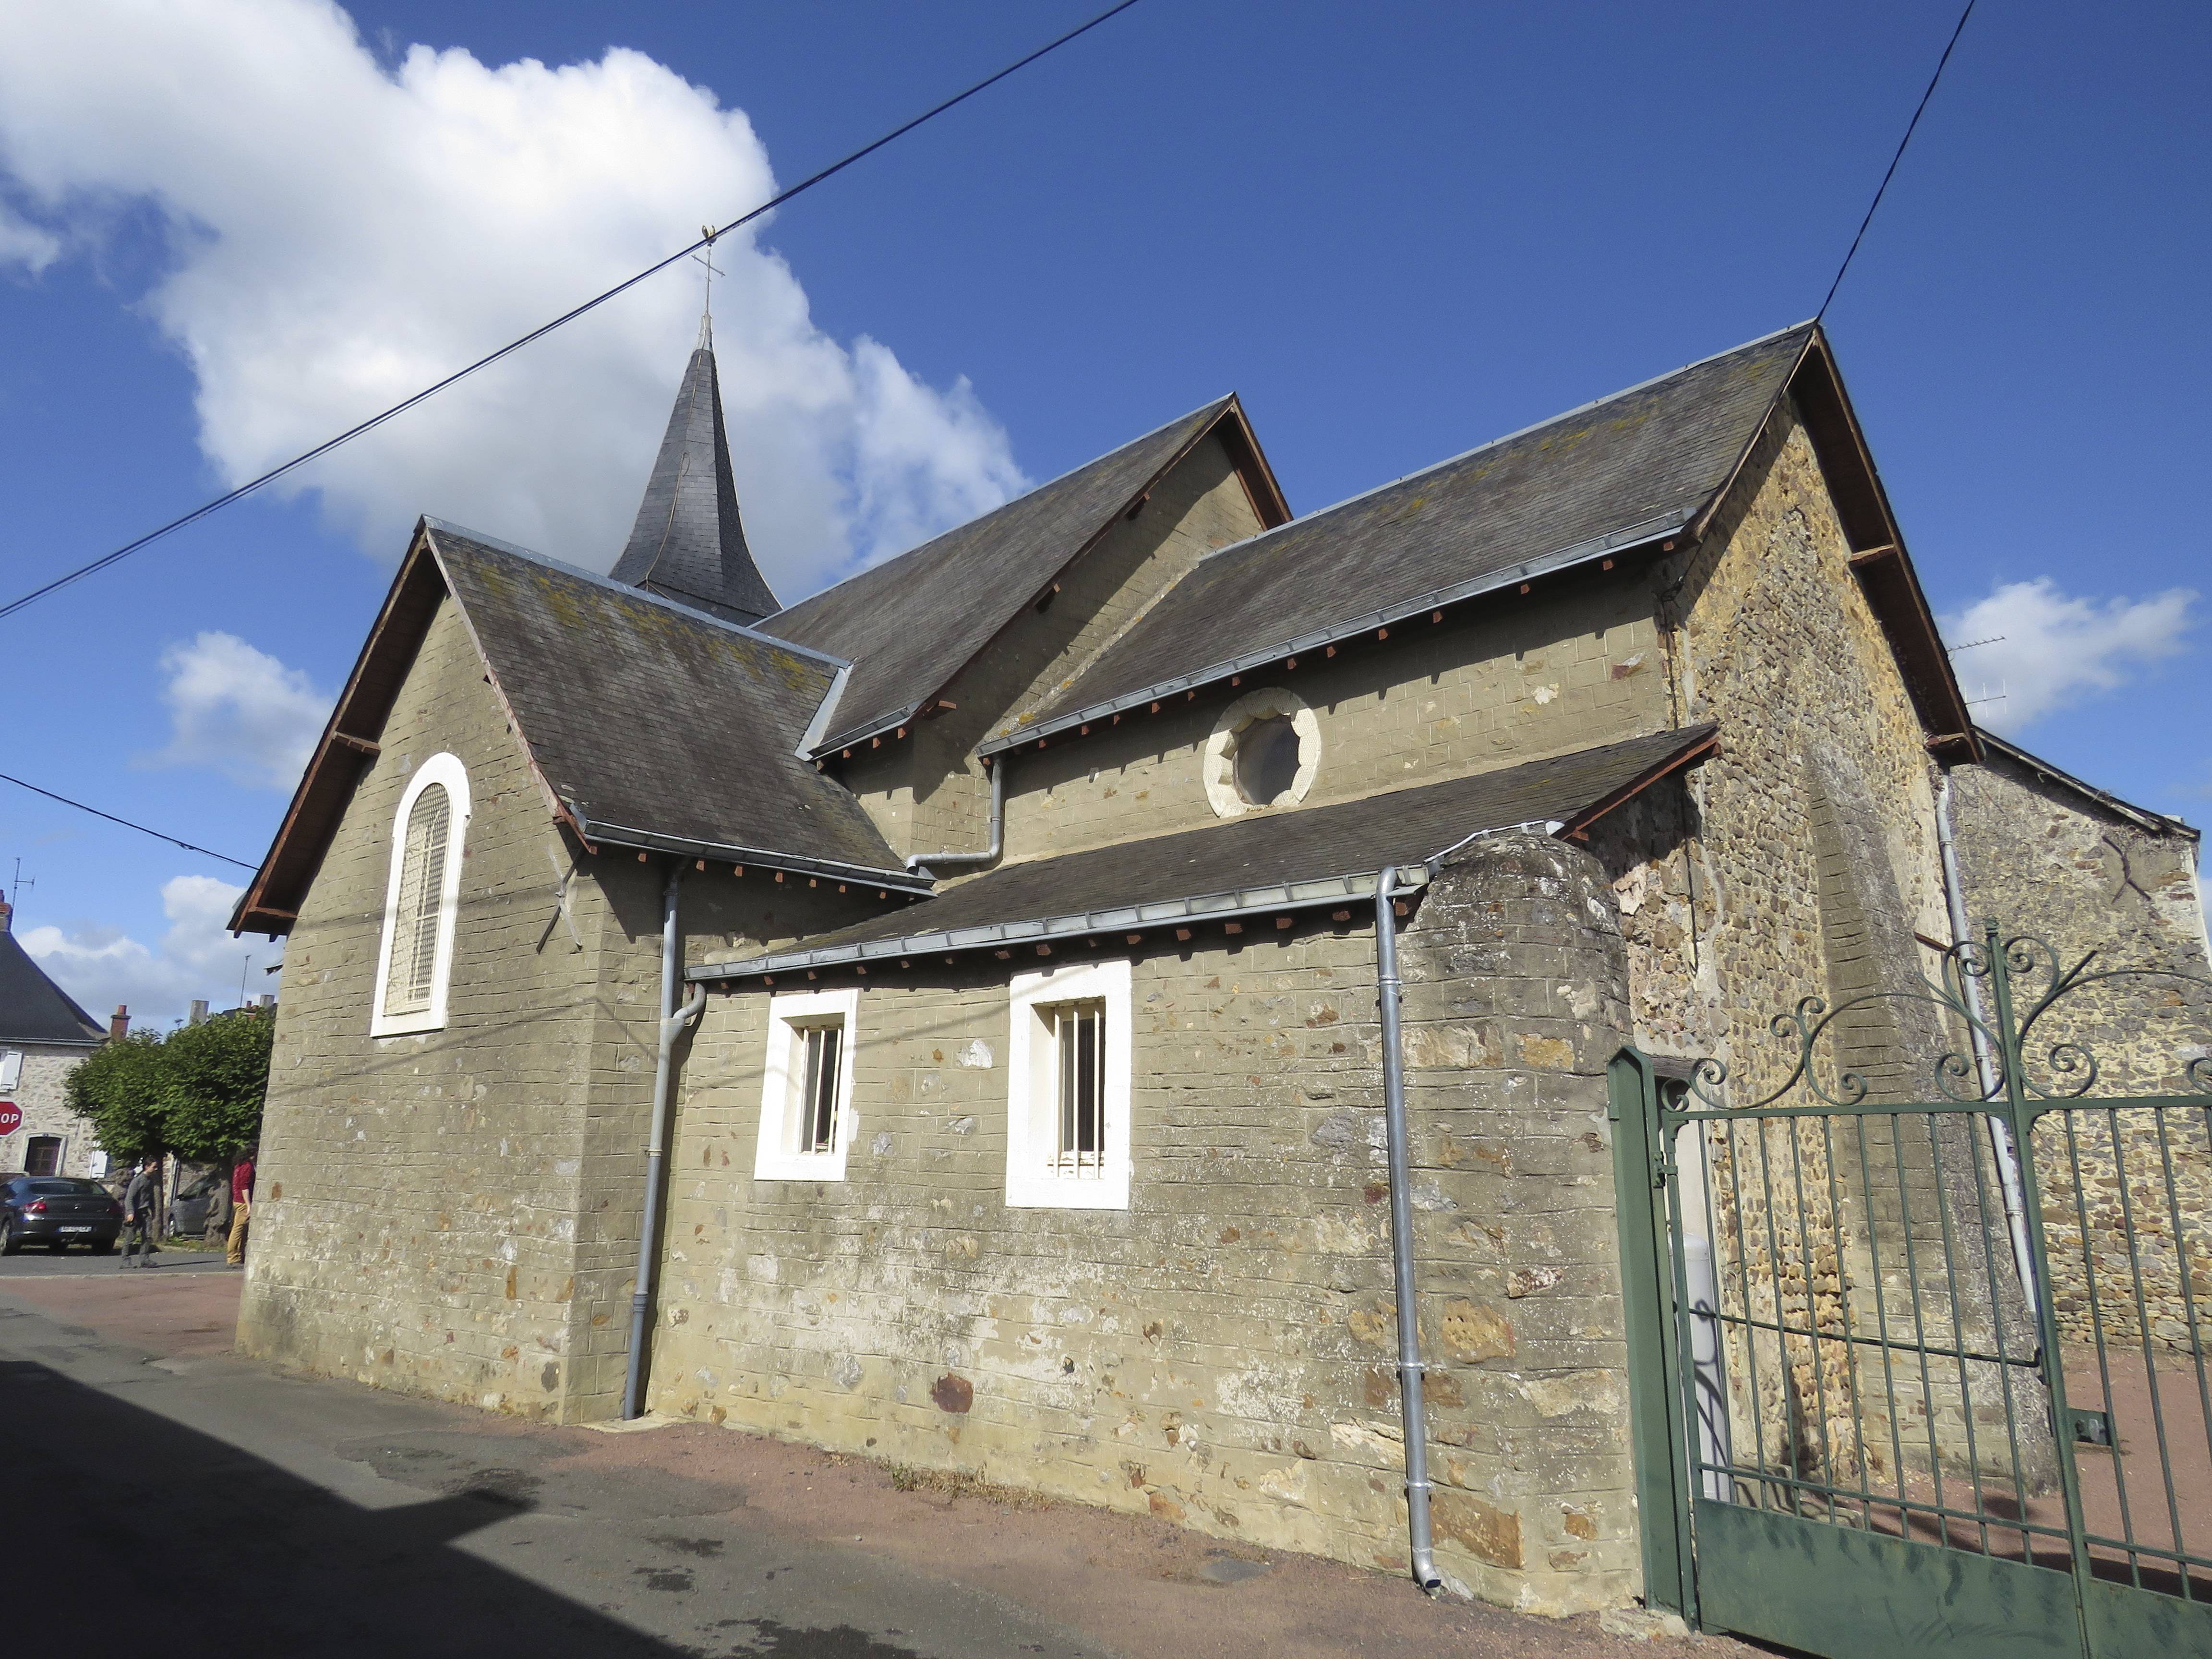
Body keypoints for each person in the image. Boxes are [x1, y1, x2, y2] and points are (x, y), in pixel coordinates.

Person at [120, 1161, 158, 1269]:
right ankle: (126, 1261)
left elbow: (151, 1197)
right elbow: (129, 1198)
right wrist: (130, 1212)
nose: (156, 1169)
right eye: (154, 1167)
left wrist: (153, 1210)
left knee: (147, 1236)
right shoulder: (138, 1181)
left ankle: (145, 1260)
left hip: (145, 1212)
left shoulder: (151, 1180)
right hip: (135, 1213)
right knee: (130, 1238)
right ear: (147, 1167)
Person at [226, 1148, 255, 1267]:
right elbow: (245, 1187)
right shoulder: (247, 1166)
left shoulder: (239, 1165)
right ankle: (233, 1257)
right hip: (243, 1201)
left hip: (237, 1200)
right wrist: (249, 1205)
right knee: (238, 1229)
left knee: (241, 1229)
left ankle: (239, 1256)